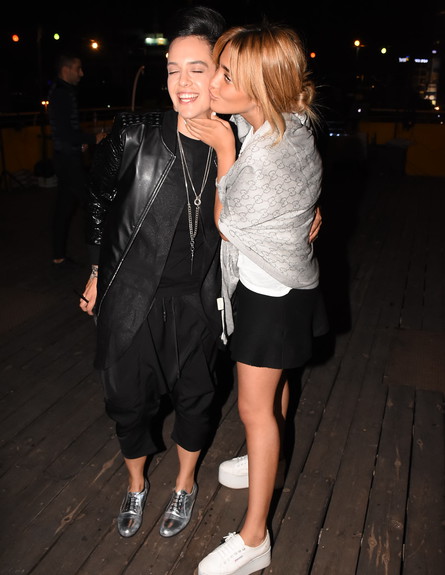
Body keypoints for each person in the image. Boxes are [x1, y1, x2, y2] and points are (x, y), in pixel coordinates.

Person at [79, 6, 229, 540]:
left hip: (197, 297)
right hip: (132, 295)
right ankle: (136, 484)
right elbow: (99, 199)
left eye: (196, 69)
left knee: (196, 397)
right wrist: (97, 269)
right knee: (126, 401)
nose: (182, 82)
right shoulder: (133, 134)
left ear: (222, 73)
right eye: (172, 69)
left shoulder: (240, 141)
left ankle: (184, 483)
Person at [186, 23, 329, 575]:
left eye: (226, 76)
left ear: (262, 87)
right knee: (276, 386)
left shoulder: (263, 154)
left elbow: (229, 224)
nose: (214, 85)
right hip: (284, 284)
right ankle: (261, 456)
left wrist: (224, 151)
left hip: (272, 294)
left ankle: (254, 539)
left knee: (254, 409)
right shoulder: (287, 121)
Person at [48, 52, 106, 267]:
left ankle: (59, 256)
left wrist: (78, 142)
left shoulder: (61, 92)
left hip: (65, 157)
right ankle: (102, 259)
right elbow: (66, 132)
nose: (81, 73)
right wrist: (93, 138)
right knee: (93, 205)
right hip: (68, 161)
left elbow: (66, 131)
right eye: (78, 68)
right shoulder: (62, 94)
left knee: (64, 209)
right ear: (66, 69)